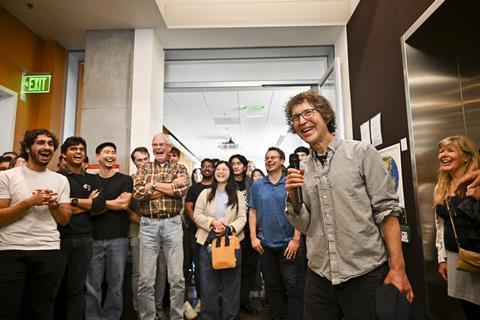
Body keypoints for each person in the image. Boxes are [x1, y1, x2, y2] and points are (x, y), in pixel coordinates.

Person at [284, 90, 413, 320]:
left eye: (307, 113)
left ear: (324, 115)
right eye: (295, 118)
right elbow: (305, 226)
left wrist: (398, 269)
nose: (302, 121)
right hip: (319, 278)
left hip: (365, 274)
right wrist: (294, 196)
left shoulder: (361, 153)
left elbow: (387, 212)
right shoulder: (303, 168)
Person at [0, 128, 71, 319]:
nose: (46, 147)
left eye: (50, 144)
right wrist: (30, 202)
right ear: (28, 148)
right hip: (11, 251)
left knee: (41, 310)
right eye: (40, 143)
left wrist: (53, 205)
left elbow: (64, 220)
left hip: (47, 250)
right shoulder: (7, 176)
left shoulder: (61, 180)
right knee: (8, 309)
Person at [134, 133, 190, 320]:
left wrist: (153, 184)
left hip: (172, 224)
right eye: (155, 144)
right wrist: (168, 186)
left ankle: (176, 317)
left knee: (177, 279)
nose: (158, 148)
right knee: (145, 280)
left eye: (162, 145)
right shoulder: (143, 167)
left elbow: (179, 191)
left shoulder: (180, 167)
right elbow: (139, 194)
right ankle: (147, 317)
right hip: (148, 225)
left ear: (169, 147)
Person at [249, 147, 304, 320]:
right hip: (265, 246)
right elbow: (252, 212)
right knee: (272, 286)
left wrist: (296, 239)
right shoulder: (258, 185)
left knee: (293, 286)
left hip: (288, 244)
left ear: (282, 161)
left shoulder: (290, 182)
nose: (269, 160)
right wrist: (253, 238)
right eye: (267, 158)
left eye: (274, 157)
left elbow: (299, 210)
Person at [85, 142, 133, 320]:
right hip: (94, 238)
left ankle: (112, 317)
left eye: (113, 152)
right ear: (98, 156)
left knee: (116, 285)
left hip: (118, 239)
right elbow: (88, 208)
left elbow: (123, 205)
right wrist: (111, 203)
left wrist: (97, 203)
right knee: (92, 285)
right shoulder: (89, 180)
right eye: (106, 152)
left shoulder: (125, 180)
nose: (111, 155)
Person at [433, 135, 480, 319]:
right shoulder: (441, 186)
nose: (443, 155)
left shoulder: (477, 181)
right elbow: (440, 226)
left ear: (467, 156)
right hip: (456, 258)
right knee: (469, 310)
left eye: (450, 150)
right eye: (441, 151)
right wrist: (441, 258)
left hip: (477, 255)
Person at [193, 161, 247, 320]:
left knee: (231, 287)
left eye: (224, 169)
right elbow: (197, 215)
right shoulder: (205, 193)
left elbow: (242, 217)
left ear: (230, 173)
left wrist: (229, 228)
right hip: (208, 243)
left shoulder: (237, 194)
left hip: (231, 244)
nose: (221, 172)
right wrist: (212, 222)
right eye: (218, 169)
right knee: (208, 287)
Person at [54, 136, 99, 320]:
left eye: (81, 149)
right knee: (53, 287)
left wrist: (71, 204)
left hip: (85, 238)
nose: (78, 152)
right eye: (73, 149)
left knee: (77, 288)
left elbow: (99, 206)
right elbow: (57, 208)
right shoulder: (57, 178)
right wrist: (87, 202)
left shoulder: (92, 179)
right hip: (59, 238)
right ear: (64, 154)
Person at [129, 147, 167, 319]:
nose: (143, 162)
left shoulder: (158, 178)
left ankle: (157, 308)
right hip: (138, 232)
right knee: (140, 274)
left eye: (146, 159)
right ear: (134, 162)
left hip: (162, 232)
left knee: (161, 271)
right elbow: (127, 209)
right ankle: (141, 310)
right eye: (139, 160)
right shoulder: (129, 181)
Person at [183, 158, 215, 319]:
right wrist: (202, 224)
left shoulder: (219, 187)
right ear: (200, 169)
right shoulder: (194, 189)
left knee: (218, 268)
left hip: (217, 234)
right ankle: (202, 300)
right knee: (201, 270)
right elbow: (188, 208)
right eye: (204, 166)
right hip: (197, 234)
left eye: (210, 166)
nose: (207, 169)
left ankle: (214, 302)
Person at [228, 154, 259, 315]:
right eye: (232, 163)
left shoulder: (253, 184)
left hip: (250, 230)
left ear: (245, 166)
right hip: (232, 231)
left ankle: (244, 302)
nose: (235, 166)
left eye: (239, 163)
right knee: (233, 269)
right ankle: (231, 304)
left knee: (249, 269)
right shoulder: (225, 184)